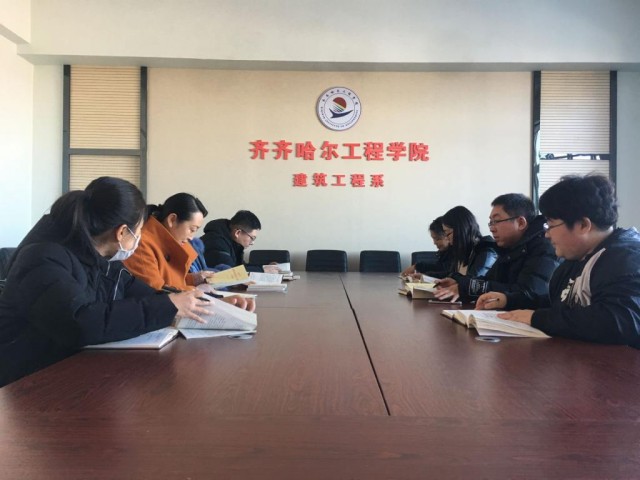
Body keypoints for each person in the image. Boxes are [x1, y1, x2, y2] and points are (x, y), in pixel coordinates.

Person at [0, 177, 252, 387]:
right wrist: (169, 306)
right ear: (122, 232)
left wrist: (213, 306)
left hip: (75, 373)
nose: (140, 238)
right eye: (139, 230)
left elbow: (146, 294)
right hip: (27, 384)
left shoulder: (104, 260)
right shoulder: (43, 257)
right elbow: (80, 322)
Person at [476, 175, 640, 347]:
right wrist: (509, 300)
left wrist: (536, 318)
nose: (547, 234)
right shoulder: (576, 258)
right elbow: (559, 303)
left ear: (583, 225)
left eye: (551, 225)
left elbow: (621, 321)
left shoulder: (627, 258)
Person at [433, 194, 558, 302]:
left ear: (521, 223)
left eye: (496, 221)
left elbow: (528, 292)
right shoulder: (509, 248)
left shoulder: (544, 247)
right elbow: (490, 280)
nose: (492, 228)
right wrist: (459, 283)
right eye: (490, 223)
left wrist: (465, 288)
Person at [123, 193, 215, 291]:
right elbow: (157, 291)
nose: (191, 238)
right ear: (172, 220)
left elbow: (171, 280)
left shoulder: (170, 240)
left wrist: (195, 279)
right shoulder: (142, 244)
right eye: (192, 229)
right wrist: (196, 291)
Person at [435, 206, 497, 285]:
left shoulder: (486, 250)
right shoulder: (461, 250)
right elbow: (450, 274)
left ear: (460, 230)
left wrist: (455, 279)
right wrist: (425, 276)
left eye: (448, 233)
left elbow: (473, 282)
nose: (447, 238)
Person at [201, 210, 275, 273]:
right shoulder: (215, 242)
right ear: (238, 233)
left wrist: (265, 266)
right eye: (252, 238)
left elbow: (240, 266)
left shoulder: (232, 241)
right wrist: (262, 270)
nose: (252, 243)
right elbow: (231, 272)